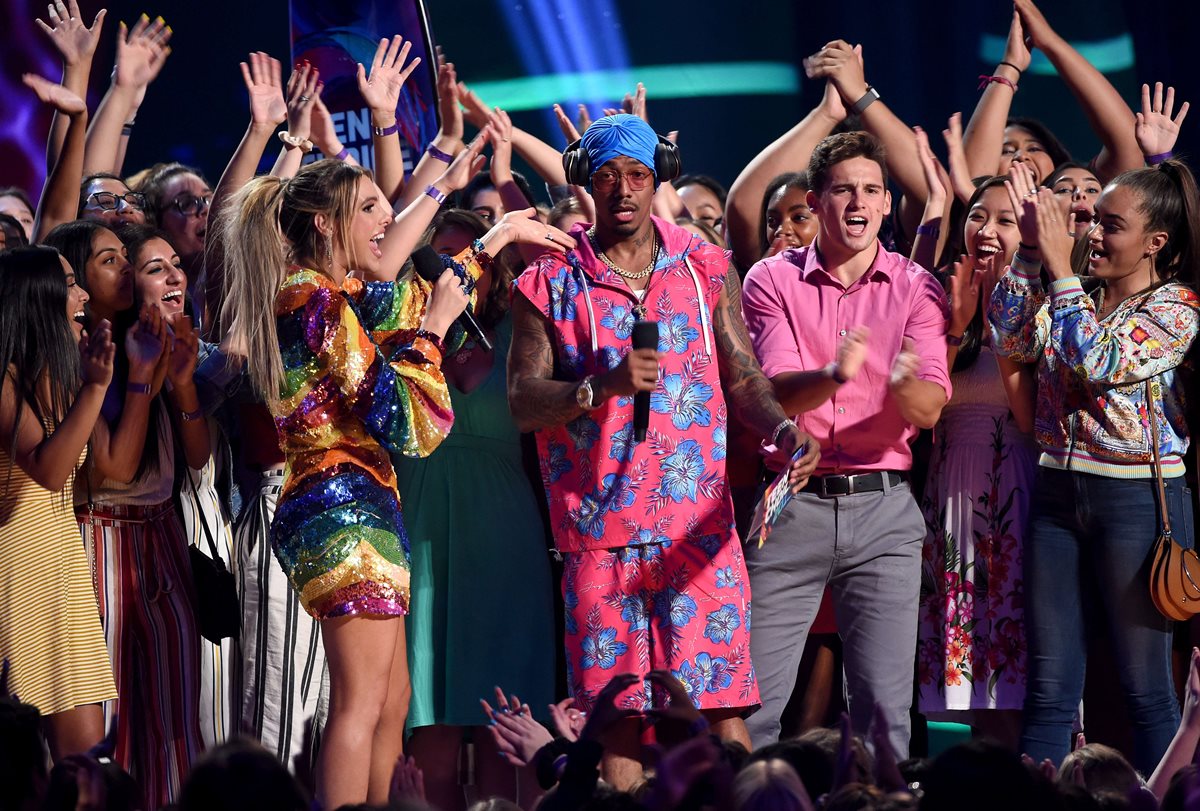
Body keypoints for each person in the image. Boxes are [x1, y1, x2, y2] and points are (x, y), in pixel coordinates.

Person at [219, 155, 572, 808]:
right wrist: (434, 331)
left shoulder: (334, 294)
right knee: (362, 701)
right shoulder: (311, 298)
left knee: (394, 698)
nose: (390, 220)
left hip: (367, 506)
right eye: (373, 207)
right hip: (338, 508)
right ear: (326, 225)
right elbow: (409, 421)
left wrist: (486, 243)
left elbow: (402, 293)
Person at [508, 113, 818, 789]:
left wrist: (782, 428)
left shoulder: (706, 267)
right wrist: (601, 387)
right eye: (607, 176)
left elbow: (744, 375)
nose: (623, 189)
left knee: (722, 708)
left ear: (660, 180)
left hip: (696, 533)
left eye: (639, 176)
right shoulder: (548, 283)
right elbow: (523, 401)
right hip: (598, 537)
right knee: (617, 727)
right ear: (585, 184)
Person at [740, 130, 952, 757]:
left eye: (871, 190)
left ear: (888, 204)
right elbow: (775, 392)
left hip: (885, 509)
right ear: (816, 201)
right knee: (750, 708)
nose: (858, 203)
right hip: (792, 504)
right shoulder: (769, 280)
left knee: (884, 717)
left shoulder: (917, 288)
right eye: (842, 191)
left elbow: (932, 406)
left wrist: (906, 387)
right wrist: (835, 375)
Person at [988, 159, 1200, 774]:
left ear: (1155, 243)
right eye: (1093, 222)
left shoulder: (1177, 307)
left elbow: (1100, 360)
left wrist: (1057, 272)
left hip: (1137, 502)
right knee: (1050, 689)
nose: (1093, 236)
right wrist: (1031, 249)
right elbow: (1012, 338)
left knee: (1146, 690)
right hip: (1056, 490)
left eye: (1112, 225)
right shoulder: (1071, 286)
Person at [394, 208, 556, 811]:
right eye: (441, 260)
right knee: (427, 729)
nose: (456, 274)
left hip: (504, 545)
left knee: (503, 732)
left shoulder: (524, 336)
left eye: (472, 259)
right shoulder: (404, 340)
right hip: (419, 535)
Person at [45, 219, 210, 808]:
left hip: (162, 533)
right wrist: (143, 374)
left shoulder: (153, 341)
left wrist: (181, 381)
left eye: (124, 260)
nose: (122, 272)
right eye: (111, 262)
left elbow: (196, 455)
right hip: (101, 542)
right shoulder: (78, 357)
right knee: (109, 725)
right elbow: (114, 468)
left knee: (175, 722)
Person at [916, 176, 1038, 746]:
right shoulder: (937, 299)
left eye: (1005, 221)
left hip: (1014, 487)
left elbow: (1030, 419)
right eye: (977, 217)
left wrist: (1000, 324)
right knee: (961, 678)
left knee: (1014, 657)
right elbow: (925, 410)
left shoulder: (1044, 305)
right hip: (949, 493)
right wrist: (957, 325)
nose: (986, 232)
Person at [0, 246, 117, 760]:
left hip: (61, 577)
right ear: (37, 298)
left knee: (88, 766)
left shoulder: (53, 372)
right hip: (17, 579)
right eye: (70, 283)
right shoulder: (2, 378)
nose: (84, 295)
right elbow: (47, 470)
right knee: (21, 766)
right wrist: (96, 389)